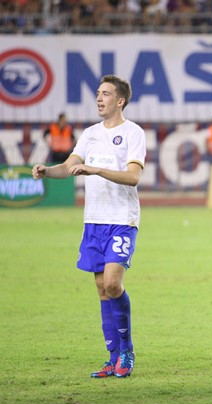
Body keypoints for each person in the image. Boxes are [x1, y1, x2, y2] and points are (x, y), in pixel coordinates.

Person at [31, 75, 146, 379]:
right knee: (101, 289)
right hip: (93, 221)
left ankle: (127, 350)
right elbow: (70, 166)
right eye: (97, 93)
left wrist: (95, 169)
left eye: (106, 94)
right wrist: (48, 171)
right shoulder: (90, 134)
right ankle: (112, 359)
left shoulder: (133, 133)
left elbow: (133, 177)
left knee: (112, 283)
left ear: (120, 100)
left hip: (121, 219)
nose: (99, 98)